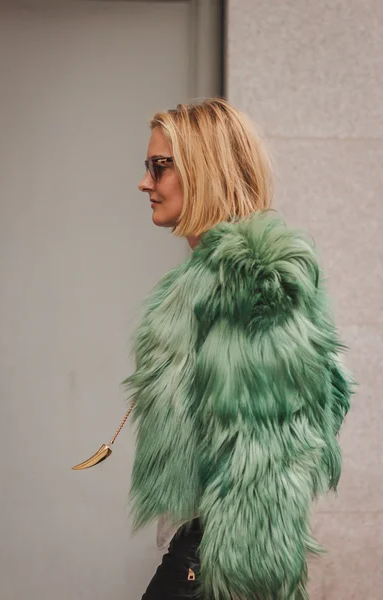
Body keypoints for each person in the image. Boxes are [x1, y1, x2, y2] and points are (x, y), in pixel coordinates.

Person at [123, 98, 353, 600]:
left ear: (204, 171)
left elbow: (262, 466)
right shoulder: (208, 283)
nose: (145, 183)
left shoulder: (248, 285)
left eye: (160, 166)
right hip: (200, 559)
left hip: (216, 570)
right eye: (148, 167)